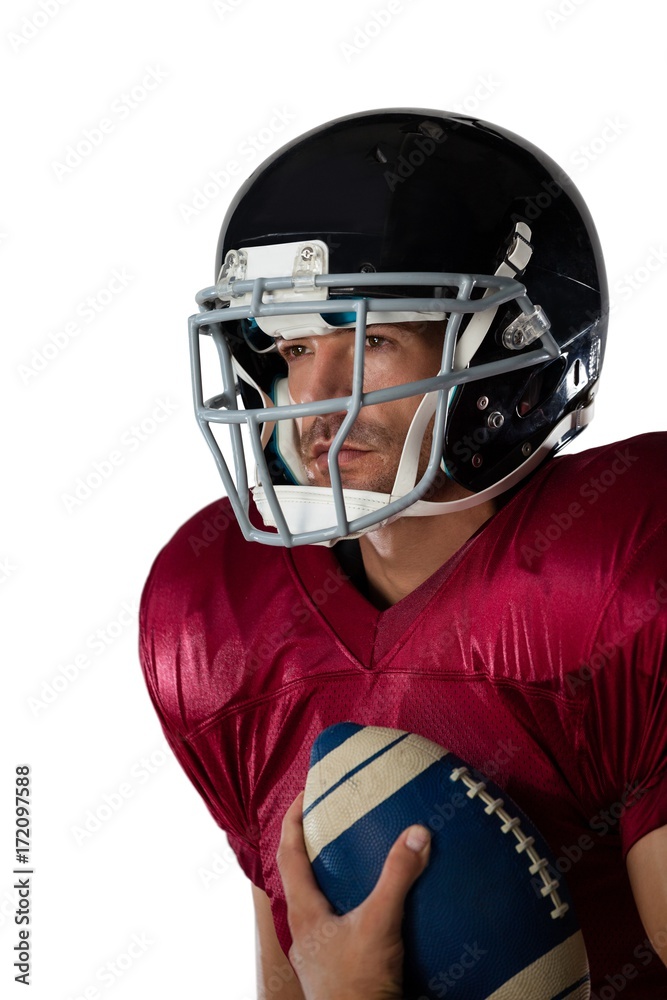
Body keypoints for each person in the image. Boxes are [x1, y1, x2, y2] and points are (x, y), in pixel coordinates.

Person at [139, 109, 667, 998]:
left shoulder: (621, 568)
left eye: (372, 340)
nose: (310, 397)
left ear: (511, 355)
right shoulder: (216, 616)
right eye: (295, 345)